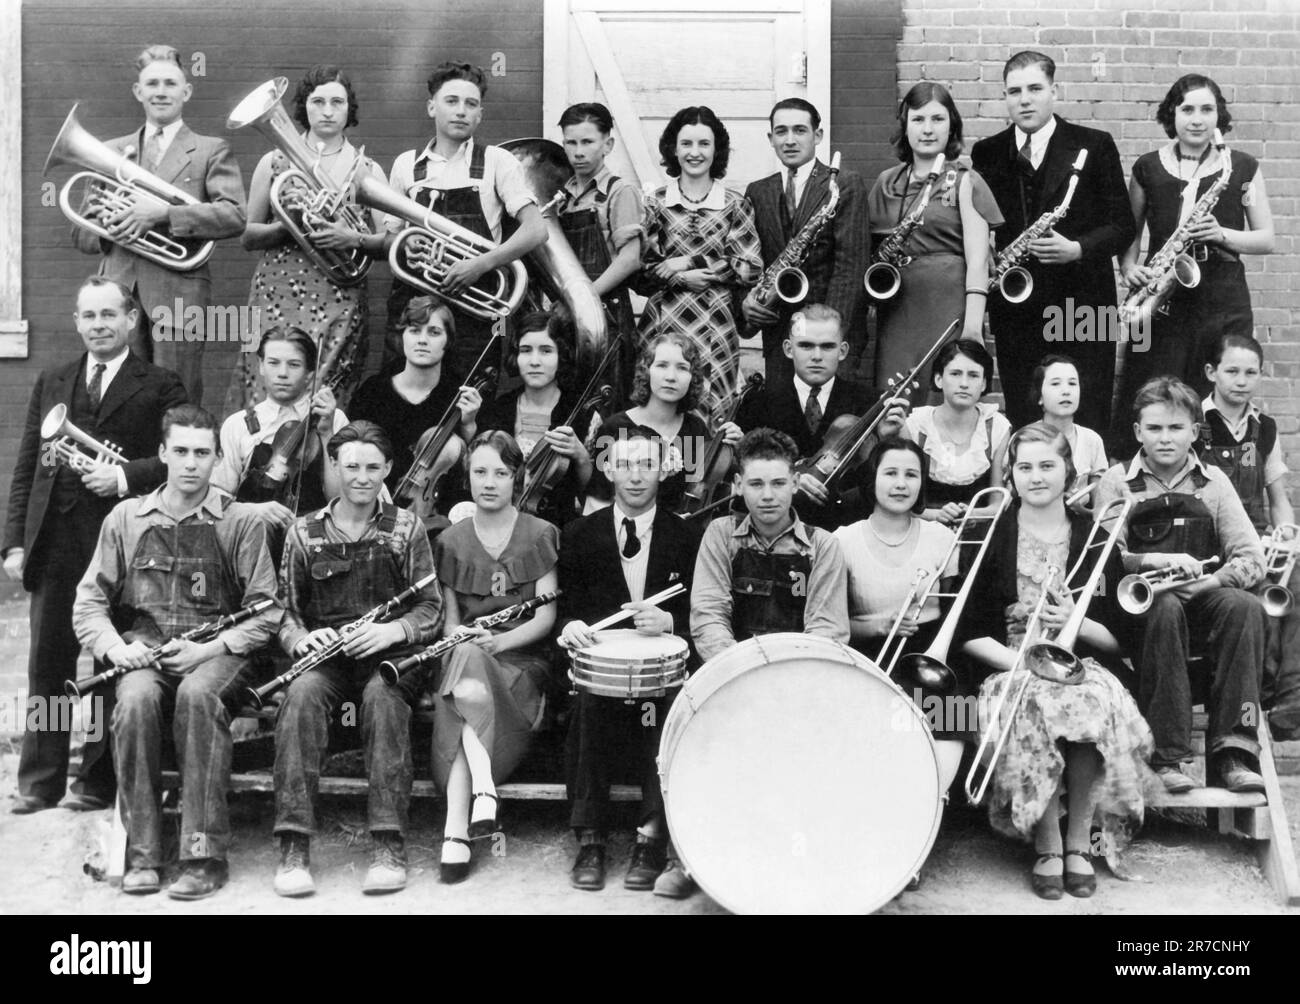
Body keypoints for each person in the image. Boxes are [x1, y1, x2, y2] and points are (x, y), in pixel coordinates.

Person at [71, 405, 280, 898]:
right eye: (181, 451)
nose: (191, 463)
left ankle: (203, 855)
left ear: (216, 458)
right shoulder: (126, 517)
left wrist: (209, 651)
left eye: (202, 453)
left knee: (197, 698)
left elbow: (267, 613)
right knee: (136, 700)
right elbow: (89, 605)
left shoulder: (241, 521)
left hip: (220, 658)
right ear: (163, 453)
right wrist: (115, 649)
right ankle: (142, 853)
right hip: (147, 655)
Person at [3, 276, 187, 815]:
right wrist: (13, 544)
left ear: (132, 319)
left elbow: (182, 456)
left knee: (112, 661)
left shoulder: (160, 383)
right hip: (57, 542)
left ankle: (98, 780)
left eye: (110, 314)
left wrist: (125, 478)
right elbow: (25, 468)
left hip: (126, 543)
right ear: (77, 321)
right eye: (89, 316)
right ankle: (40, 780)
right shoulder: (53, 379)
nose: (99, 325)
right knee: (48, 664)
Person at [958, 423, 1153, 900]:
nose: (1036, 476)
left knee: (1086, 702)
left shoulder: (1092, 535)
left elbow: (1120, 640)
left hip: (1081, 664)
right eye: (1024, 467)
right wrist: (1020, 664)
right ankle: (1046, 844)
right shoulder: (990, 536)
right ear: (1011, 475)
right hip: (1009, 663)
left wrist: (1077, 619)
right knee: (1035, 702)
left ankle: (1076, 845)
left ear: (1069, 471)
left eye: (1048, 465)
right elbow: (967, 631)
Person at [272, 421, 443, 897]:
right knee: (300, 696)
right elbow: (283, 610)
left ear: (388, 469)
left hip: (390, 657)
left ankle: (387, 844)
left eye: (373, 467)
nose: (362, 477)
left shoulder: (406, 527)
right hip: (327, 659)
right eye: (351, 466)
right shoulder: (303, 532)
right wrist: (302, 639)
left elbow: (431, 609)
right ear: (335, 468)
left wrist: (391, 631)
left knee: (383, 699)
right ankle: (292, 846)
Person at [685, 427, 848, 898]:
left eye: (778, 483)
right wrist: (744, 676)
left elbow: (827, 632)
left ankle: (800, 862)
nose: (768, 495)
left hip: (801, 681)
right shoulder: (720, 536)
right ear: (738, 485)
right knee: (709, 755)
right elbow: (708, 618)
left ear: (795, 482)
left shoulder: (823, 546)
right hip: (733, 677)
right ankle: (696, 857)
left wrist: (785, 686)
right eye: (756, 484)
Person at [1095, 377, 1267, 795]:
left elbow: (1251, 559)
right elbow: (1102, 558)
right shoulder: (1117, 482)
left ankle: (1234, 753)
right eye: (1154, 428)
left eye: (1175, 428)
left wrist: (1211, 582)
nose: (1165, 438)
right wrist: (1154, 561)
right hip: (1140, 611)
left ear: (1194, 430)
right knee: (1165, 608)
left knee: (1245, 607)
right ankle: (1167, 756)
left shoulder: (1214, 484)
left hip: (1202, 601)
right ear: (1138, 432)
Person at [558, 428, 698, 893]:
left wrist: (670, 623)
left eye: (646, 465)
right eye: (625, 464)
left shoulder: (686, 535)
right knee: (587, 703)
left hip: (661, 677)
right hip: (603, 676)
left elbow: (703, 612)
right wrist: (572, 626)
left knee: (672, 710)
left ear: (663, 470)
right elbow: (567, 610)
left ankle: (650, 839)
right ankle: (591, 839)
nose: (635, 475)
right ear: (609, 469)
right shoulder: (579, 535)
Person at [70, 44, 246, 404]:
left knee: (177, 396)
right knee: (117, 397)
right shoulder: (110, 152)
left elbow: (234, 215)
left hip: (181, 294)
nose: (161, 91)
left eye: (170, 83)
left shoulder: (210, 149)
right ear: (139, 92)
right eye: (152, 84)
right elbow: (82, 237)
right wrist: (107, 223)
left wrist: (164, 214)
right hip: (117, 293)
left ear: (186, 91)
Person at [972, 50, 1135, 433]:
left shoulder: (1094, 145)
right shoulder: (987, 152)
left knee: (1087, 403)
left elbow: (1122, 223)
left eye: (1034, 88)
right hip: (1017, 306)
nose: (1024, 99)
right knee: (1022, 406)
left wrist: (1078, 249)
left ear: (1054, 91)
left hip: (1083, 302)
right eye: (1014, 91)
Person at [429, 431, 559, 883]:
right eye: (479, 472)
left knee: (464, 696)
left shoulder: (540, 533)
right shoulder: (449, 541)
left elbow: (545, 618)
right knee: (464, 665)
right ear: (467, 478)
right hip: (467, 655)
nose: (489, 482)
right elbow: (449, 622)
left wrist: (499, 644)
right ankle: (479, 799)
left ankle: (454, 833)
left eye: (501, 473)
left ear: (516, 479)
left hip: (521, 662)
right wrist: (467, 641)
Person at [225, 65, 388, 415]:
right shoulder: (274, 161)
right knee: (265, 386)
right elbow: (248, 236)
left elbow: (389, 243)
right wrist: (291, 227)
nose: (328, 110)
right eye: (318, 101)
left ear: (349, 109)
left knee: (323, 394)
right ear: (304, 107)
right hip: (276, 294)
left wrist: (351, 237)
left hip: (339, 295)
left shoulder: (367, 169)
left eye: (337, 102)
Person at [1114, 73, 1275, 422]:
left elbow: (1266, 239)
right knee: (1155, 388)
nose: (1198, 119)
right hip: (1165, 297)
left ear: (1220, 117)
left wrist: (1221, 234)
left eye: (1207, 109)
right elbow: (1130, 230)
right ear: (1172, 114)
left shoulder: (1242, 166)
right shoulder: (1148, 166)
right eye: (1187, 109)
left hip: (1223, 297)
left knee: (1216, 395)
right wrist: (1128, 268)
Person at [382, 61, 546, 376]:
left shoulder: (498, 161)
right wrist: (406, 245)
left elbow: (536, 230)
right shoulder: (406, 164)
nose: (461, 111)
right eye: (451, 101)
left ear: (480, 114)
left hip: (477, 306)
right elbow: (391, 237)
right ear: (431, 107)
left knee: (470, 399)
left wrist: (481, 264)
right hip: (413, 307)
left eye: (471, 104)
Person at [833, 437, 965, 794]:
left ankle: (931, 800)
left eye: (912, 474)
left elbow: (953, 613)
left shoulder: (942, 537)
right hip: (868, 652)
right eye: (890, 472)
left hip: (930, 654)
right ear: (872, 479)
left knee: (958, 712)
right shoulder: (843, 540)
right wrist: (880, 624)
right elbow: (832, 623)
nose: (901, 483)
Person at [867, 82, 1001, 395]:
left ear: (951, 125)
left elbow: (978, 259)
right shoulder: (887, 181)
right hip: (897, 309)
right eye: (918, 119)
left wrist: (972, 325)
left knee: (941, 395)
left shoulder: (967, 180)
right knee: (893, 399)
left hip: (948, 307)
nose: (927, 129)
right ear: (905, 125)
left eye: (938, 119)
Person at [1197, 334, 1299, 741]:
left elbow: (1279, 499)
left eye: (1250, 372)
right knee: (1256, 598)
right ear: (1212, 373)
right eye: (1232, 371)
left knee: (1295, 584)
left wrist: (1287, 532)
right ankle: (1264, 695)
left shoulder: (1266, 428)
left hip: (1258, 537)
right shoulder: (1194, 423)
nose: (1241, 380)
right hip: (1212, 542)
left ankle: (1290, 699)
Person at [638, 106, 762, 428]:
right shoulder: (655, 203)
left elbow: (749, 266)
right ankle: (662, 478)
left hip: (716, 324)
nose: (695, 153)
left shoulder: (734, 203)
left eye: (704, 144)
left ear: (716, 149)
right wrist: (679, 278)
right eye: (687, 144)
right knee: (660, 408)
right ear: (673, 149)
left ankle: (704, 477)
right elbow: (643, 270)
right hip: (665, 318)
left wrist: (688, 263)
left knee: (710, 416)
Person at [735, 303, 907, 529]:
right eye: (806, 346)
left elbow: (886, 485)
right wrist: (789, 481)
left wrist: (885, 440)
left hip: (846, 528)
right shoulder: (757, 401)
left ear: (843, 350)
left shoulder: (870, 403)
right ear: (788, 348)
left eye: (827, 347)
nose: (817, 356)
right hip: (775, 529)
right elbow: (741, 475)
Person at [742, 98, 869, 381]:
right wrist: (747, 303)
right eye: (781, 131)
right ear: (770, 138)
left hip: (830, 338)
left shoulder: (844, 184)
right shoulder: (758, 191)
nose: (789, 140)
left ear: (818, 136)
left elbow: (850, 267)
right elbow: (748, 262)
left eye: (800, 130)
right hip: (779, 335)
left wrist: (828, 333)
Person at [585, 331, 738, 514]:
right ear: (646, 371)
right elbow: (597, 500)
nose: (671, 377)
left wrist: (736, 448)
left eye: (682, 368)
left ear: (693, 378)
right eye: (662, 365)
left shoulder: (695, 429)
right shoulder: (614, 428)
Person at [212, 326, 348, 531]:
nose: (282, 373)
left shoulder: (334, 419)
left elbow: (340, 499)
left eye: (294, 365)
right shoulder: (238, 424)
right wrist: (251, 511)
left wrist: (326, 433)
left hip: (315, 536)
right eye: (274, 363)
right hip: (252, 533)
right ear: (261, 366)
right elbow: (218, 496)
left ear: (310, 374)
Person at [348, 296, 481, 498]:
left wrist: (469, 424)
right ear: (402, 336)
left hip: (434, 506)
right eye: (414, 330)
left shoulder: (459, 396)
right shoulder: (373, 392)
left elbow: (471, 469)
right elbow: (350, 454)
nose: (422, 340)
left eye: (434, 332)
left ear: (448, 341)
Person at [557, 102, 644, 398]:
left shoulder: (621, 192)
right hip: (565, 317)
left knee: (605, 404)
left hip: (608, 318)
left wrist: (581, 302)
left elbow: (630, 260)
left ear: (608, 144)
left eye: (587, 142)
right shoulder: (560, 198)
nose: (578, 151)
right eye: (571, 142)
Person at [476, 310, 594, 526]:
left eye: (546, 351)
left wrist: (580, 455)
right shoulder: (498, 407)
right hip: (496, 522)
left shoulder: (581, 412)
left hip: (556, 527)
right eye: (526, 350)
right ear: (516, 356)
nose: (535, 361)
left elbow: (595, 492)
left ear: (562, 355)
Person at [901, 338, 1010, 526]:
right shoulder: (917, 426)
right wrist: (937, 516)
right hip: (924, 533)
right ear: (938, 379)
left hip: (980, 536)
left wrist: (971, 513)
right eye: (955, 374)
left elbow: (997, 504)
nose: (964, 383)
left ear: (984, 384)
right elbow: (903, 504)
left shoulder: (996, 427)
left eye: (974, 375)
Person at [1030, 354, 1109, 511]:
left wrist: (1081, 510)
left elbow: (1102, 511)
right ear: (1040, 396)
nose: (1066, 391)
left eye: (1072, 383)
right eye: (1056, 384)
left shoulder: (1092, 440)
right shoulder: (1024, 438)